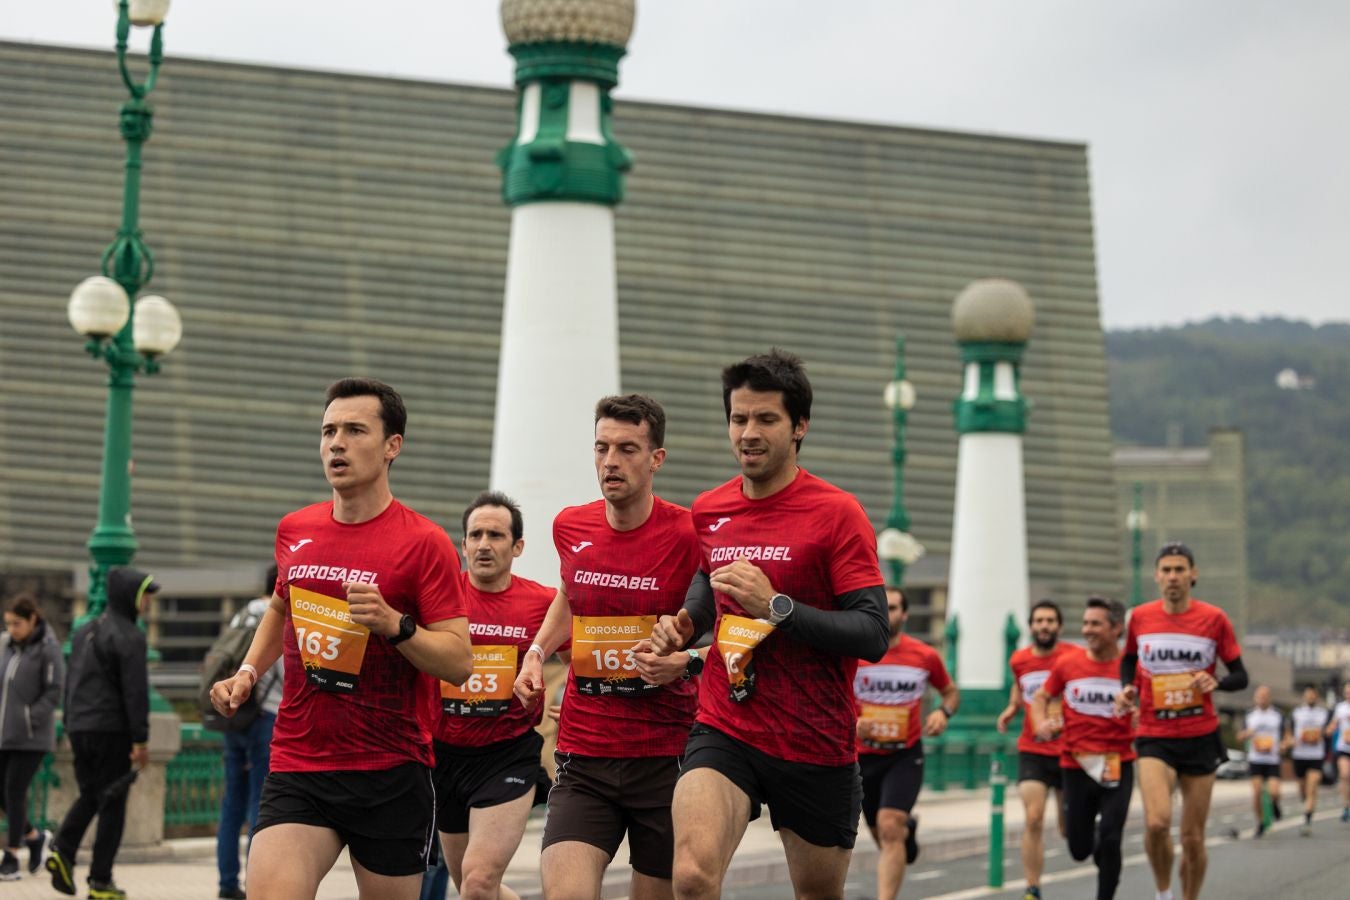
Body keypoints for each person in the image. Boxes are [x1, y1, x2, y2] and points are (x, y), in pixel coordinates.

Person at [209, 377, 473, 900]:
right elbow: (282, 607)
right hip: (299, 761)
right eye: (329, 430)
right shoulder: (296, 529)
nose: (337, 443)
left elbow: (459, 661)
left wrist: (395, 625)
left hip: (390, 769)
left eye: (355, 430)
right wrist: (247, 673)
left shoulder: (424, 543)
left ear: (392, 445)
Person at [648, 349, 890, 900]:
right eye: (738, 419)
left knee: (817, 892)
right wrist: (683, 626)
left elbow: (873, 632)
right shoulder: (709, 509)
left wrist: (776, 607)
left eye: (766, 419)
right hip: (726, 724)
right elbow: (710, 584)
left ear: (799, 426)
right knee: (689, 875)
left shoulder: (836, 513)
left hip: (814, 739)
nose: (748, 433)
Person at [512, 394, 701, 900]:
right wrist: (535, 651)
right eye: (601, 448)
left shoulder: (689, 534)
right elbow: (572, 597)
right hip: (585, 752)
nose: (610, 461)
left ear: (656, 458)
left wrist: (684, 660)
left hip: (665, 755)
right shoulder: (570, 526)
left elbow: (723, 624)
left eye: (627, 449)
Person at [432, 491, 561, 900]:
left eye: (496, 535)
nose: (484, 544)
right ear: (464, 544)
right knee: (470, 887)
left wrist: (572, 705)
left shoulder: (541, 603)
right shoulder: (437, 598)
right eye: (476, 535)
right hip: (443, 756)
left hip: (507, 755)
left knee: (479, 879)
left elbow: (584, 655)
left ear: (517, 546)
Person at [1116, 542, 1246, 900]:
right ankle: (1163, 893)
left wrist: (1216, 680)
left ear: (1193, 575)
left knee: (1192, 838)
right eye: (1166, 570)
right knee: (1157, 823)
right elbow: (1128, 660)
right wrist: (1127, 688)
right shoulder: (1140, 617)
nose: (1173, 577)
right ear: (1157, 576)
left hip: (1200, 734)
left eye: (1179, 570)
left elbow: (1241, 675)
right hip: (1154, 734)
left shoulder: (1214, 619)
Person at [46, 567, 156, 900]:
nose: (149, 601)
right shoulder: (131, 636)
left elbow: (70, 680)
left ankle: (63, 853)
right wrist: (140, 739)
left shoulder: (84, 632)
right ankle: (100, 881)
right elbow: (135, 693)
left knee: (93, 793)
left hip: (80, 726)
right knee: (112, 803)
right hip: (111, 730)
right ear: (131, 596)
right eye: (145, 594)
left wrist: (70, 721)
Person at [854, 587, 957, 900]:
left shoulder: (924, 655)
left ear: (905, 614)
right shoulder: (853, 655)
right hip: (862, 757)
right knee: (880, 831)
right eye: (883, 607)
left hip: (905, 755)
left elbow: (950, 692)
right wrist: (854, 723)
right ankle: (906, 832)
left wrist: (943, 712)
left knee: (889, 825)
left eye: (895, 607)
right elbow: (833, 697)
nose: (888, 613)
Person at [1032, 597, 1135, 900]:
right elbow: (1041, 697)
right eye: (1086, 623)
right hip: (1076, 765)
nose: (1087, 629)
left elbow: (1146, 704)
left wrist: (1138, 710)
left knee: (1111, 836)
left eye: (1095, 624)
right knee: (1079, 848)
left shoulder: (1129, 668)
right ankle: (1097, 846)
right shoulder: (1068, 663)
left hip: (1118, 762)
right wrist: (1041, 723)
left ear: (1116, 629)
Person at [216, 565, 285, 900]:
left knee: (232, 802)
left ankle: (227, 882)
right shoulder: (279, 616)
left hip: (235, 715)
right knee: (262, 803)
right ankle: (257, 883)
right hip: (266, 717)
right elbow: (286, 671)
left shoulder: (241, 615)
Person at [997, 599, 1072, 900]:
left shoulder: (1073, 656)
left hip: (1069, 750)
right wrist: (1012, 708)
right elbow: (1020, 686)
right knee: (1034, 818)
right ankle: (1032, 888)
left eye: (1050, 621)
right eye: (1039, 621)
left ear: (1059, 626)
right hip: (1034, 748)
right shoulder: (1019, 660)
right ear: (1031, 626)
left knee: (1070, 830)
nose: (1044, 626)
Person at [0, 593, 64, 880]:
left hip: (31, 737)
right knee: (2, 793)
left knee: (14, 790)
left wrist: (28, 718)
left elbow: (54, 692)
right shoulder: (6, 647)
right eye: (8, 624)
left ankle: (12, 855)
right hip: (4, 734)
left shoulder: (48, 649)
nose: (12, 629)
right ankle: (34, 837)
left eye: (16, 623)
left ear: (32, 620)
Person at [1236, 685, 1282, 837]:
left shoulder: (1277, 715)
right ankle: (1260, 822)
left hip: (1272, 758)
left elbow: (1287, 736)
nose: (1262, 698)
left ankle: (1275, 804)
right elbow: (1239, 736)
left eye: (1265, 696)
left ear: (1270, 698)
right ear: (1255, 698)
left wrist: (1284, 745)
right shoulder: (1250, 715)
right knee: (1256, 792)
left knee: (1274, 792)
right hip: (1256, 758)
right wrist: (1246, 734)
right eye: (1259, 696)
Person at [1285, 684, 1328, 836]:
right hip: (1299, 755)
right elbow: (1289, 732)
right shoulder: (1296, 713)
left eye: (1313, 695)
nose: (1311, 697)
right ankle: (1307, 806)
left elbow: (1328, 731)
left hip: (1316, 755)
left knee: (1312, 787)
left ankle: (1307, 819)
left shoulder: (1323, 713)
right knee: (1302, 789)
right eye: (1308, 694)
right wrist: (1290, 741)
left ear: (1317, 697)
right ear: (1304, 696)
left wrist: (1320, 735)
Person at [1328, 681, 1350, 822]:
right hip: (1344, 747)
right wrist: (1329, 730)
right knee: (1344, 774)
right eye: (1347, 692)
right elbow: (1334, 723)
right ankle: (1346, 805)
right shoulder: (1340, 708)